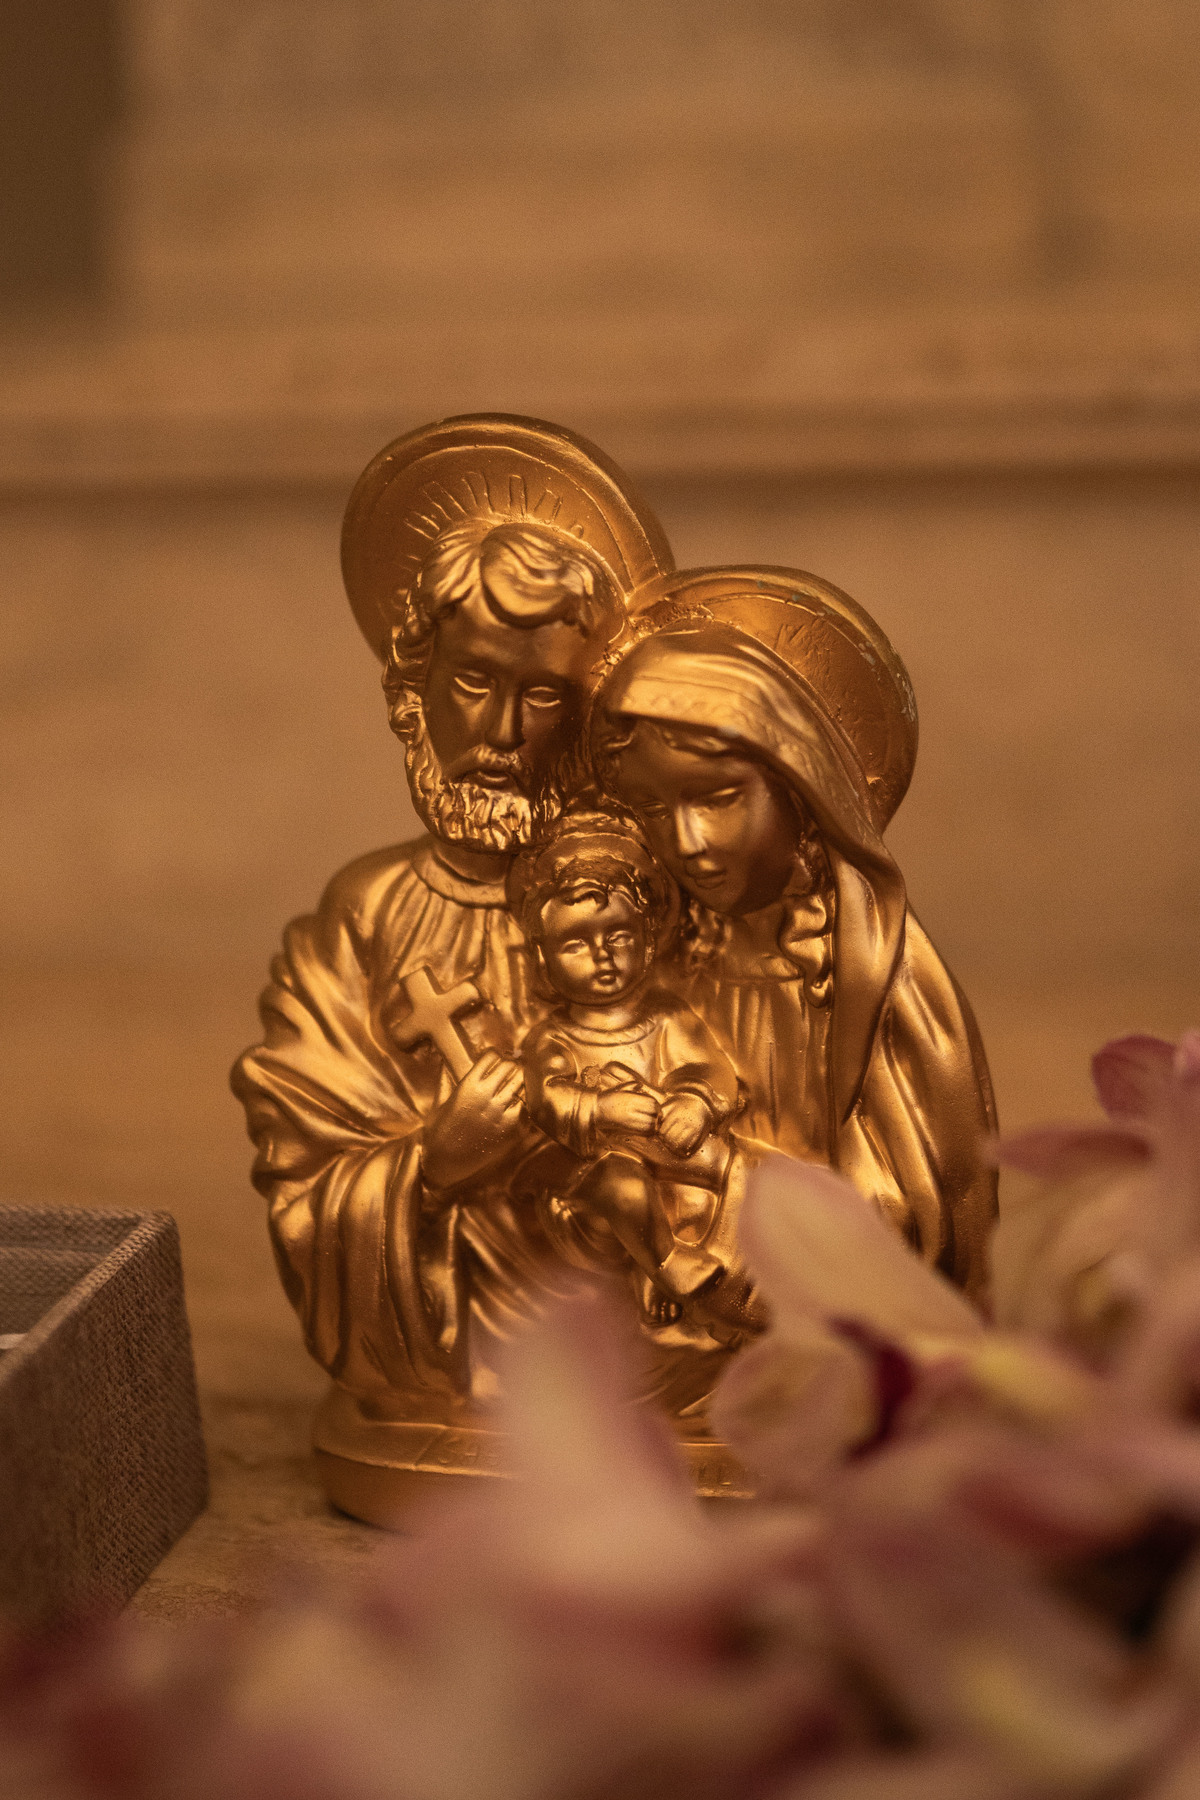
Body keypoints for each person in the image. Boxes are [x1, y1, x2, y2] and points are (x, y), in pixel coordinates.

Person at [233, 511, 629, 1407]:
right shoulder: (365, 916)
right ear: (415, 691)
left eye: (543, 696)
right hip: (447, 1345)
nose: (502, 731)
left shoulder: (638, 905)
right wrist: (435, 1163)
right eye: (474, 681)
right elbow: (305, 1174)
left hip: (622, 1335)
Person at [593, 611, 998, 1296]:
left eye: (718, 798)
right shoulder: (650, 959)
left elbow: (918, 1227)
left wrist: (722, 1176)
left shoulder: (871, 978)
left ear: (800, 789)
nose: (687, 842)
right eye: (652, 810)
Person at [511, 805, 759, 1339]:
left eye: (619, 936)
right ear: (542, 958)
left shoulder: (667, 1016)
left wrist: (694, 1101)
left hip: (676, 1167)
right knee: (623, 1185)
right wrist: (600, 1108)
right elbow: (545, 1099)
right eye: (575, 943)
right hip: (591, 1192)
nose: (601, 955)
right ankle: (666, 1266)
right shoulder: (552, 1039)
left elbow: (710, 1067)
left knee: (736, 1169)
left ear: (648, 942)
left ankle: (723, 1271)